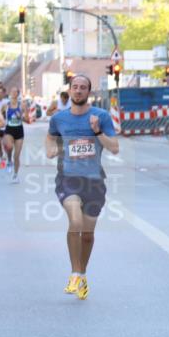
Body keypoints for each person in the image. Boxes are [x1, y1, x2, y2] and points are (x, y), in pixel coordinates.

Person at [45, 74, 119, 300]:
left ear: (89, 92)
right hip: (68, 179)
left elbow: (114, 147)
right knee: (75, 221)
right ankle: (75, 273)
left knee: (87, 234)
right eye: (75, 87)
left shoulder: (101, 116)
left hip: (94, 181)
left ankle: (83, 273)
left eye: (83, 88)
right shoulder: (59, 118)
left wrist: (97, 132)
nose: (78, 90)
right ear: (70, 90)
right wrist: (54, 149)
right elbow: (50, 139)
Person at [2, 87, 28, 183]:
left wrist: (20, 116)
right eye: (12, 91)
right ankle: (9, 161)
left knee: (16, 156)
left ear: (18, 93)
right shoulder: (6, 105)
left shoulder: (22, 105)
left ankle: (15, 175)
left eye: (15, 91)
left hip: (19, 130)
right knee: (8, 147)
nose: (13, 93)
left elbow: (28, 120)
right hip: (9, 129)